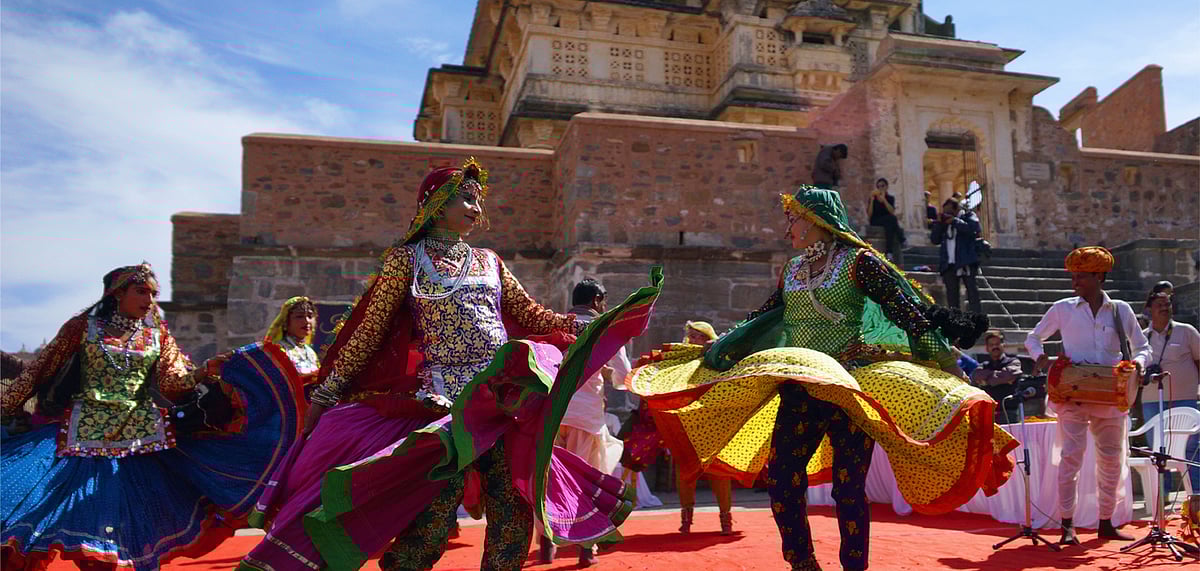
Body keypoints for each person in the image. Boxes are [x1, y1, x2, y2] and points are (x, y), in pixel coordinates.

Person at [241, 159, 654, 571]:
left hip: (498, 403)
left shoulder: (489, 261)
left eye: (477, 201)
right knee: (431, 520)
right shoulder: (407, 260)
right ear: (437, 205)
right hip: (441, 408)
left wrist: (589, 324)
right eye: (466, 200)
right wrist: (329, 393)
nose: (476, 209)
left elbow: (529, 314)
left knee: (511, 511)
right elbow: (370, 331)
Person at [628, 188, 1013, 571]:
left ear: (816, 220)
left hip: (849, 388)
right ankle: (802, 562)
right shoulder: (791, 270)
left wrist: (948, 363)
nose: (787, 228)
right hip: (800, 388)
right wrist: (718, 347)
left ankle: (854, 567)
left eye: (793, 219)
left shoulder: (858, 262)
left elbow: (905, 312)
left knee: (848, 488)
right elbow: (761, 319)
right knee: (780, 479)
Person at [1, 263, 298, 571]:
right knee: (43, 519)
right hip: (82, 435)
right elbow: (40, 370)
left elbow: (172, 381)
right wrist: (7, 407)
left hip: (141, 440)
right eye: (141, 291)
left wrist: (203, 370)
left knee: (120, 537)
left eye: (154, 294)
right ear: (117, 293)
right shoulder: (83, 327)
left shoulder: (157, 335)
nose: (149, 300)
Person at [1025, 246, 1151, 544]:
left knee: (1110, 460)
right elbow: (1033, 337)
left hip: (1111, 396)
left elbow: (1143, 346)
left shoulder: (1121, 310)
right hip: (1073, 394)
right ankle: (1067, 526)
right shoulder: (1062, 308)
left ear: (1099, 276)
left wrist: (1138, 365)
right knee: (1071, 458)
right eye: (1074, 276)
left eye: (1081, 276)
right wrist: (1040, 356)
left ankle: (1105, 523)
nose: (1075, 281)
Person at [541, 278, 633, 566]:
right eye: (603, 301)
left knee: (549, 480)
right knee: (585, 481)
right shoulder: (605, 329)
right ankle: (586, 548)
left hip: (551, 416)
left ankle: (546, 544)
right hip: (587, 417)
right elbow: (623, 377)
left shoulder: (554, 325)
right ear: (596, 300)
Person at [676, 321, 735, 535]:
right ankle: (686, 519)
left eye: (698, 336)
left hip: (713, 424)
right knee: (685, 471)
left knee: (719, 472)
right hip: (687, 423)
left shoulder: (718, 358)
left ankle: (725, 520)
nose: (693, 340)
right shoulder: (681, 359)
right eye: (691, 336)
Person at [1140, 290, 1200, 492]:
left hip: (1185, 398)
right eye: (1160, 305)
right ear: (1149, 309)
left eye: (1168, 304)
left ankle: (1196, 493)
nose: (1165, 308)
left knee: (1190, 447)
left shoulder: (1187, 331)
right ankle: (1162, 496)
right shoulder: (1141, 338)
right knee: (1157, 450)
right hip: (1151, 399)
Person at [930, 198, 983, 315]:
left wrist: (954, 221)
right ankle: (956, 322)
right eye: (945, 212)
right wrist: (939, 223)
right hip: (949, 264)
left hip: (966, 261)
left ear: (956, 209)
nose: (947, 215)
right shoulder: (943, 224)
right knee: (952, 297)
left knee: (972, 293)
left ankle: (976, 319)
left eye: (949, 212)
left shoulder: (968, 216)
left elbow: (973, 229)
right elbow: (934, 240)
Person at [867, 178, 906, 266]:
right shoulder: (873, 198)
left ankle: (889, 252)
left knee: (890, 223)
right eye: (878, 186)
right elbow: (869, 215)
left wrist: (884, 200)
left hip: (887, 221)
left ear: (886, 187)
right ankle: (901, 239)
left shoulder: (890, 198)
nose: (880, 188)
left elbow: (891, 211)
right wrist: (872, 200)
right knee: (892, 220)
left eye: (882, 186)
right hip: (876, 220)